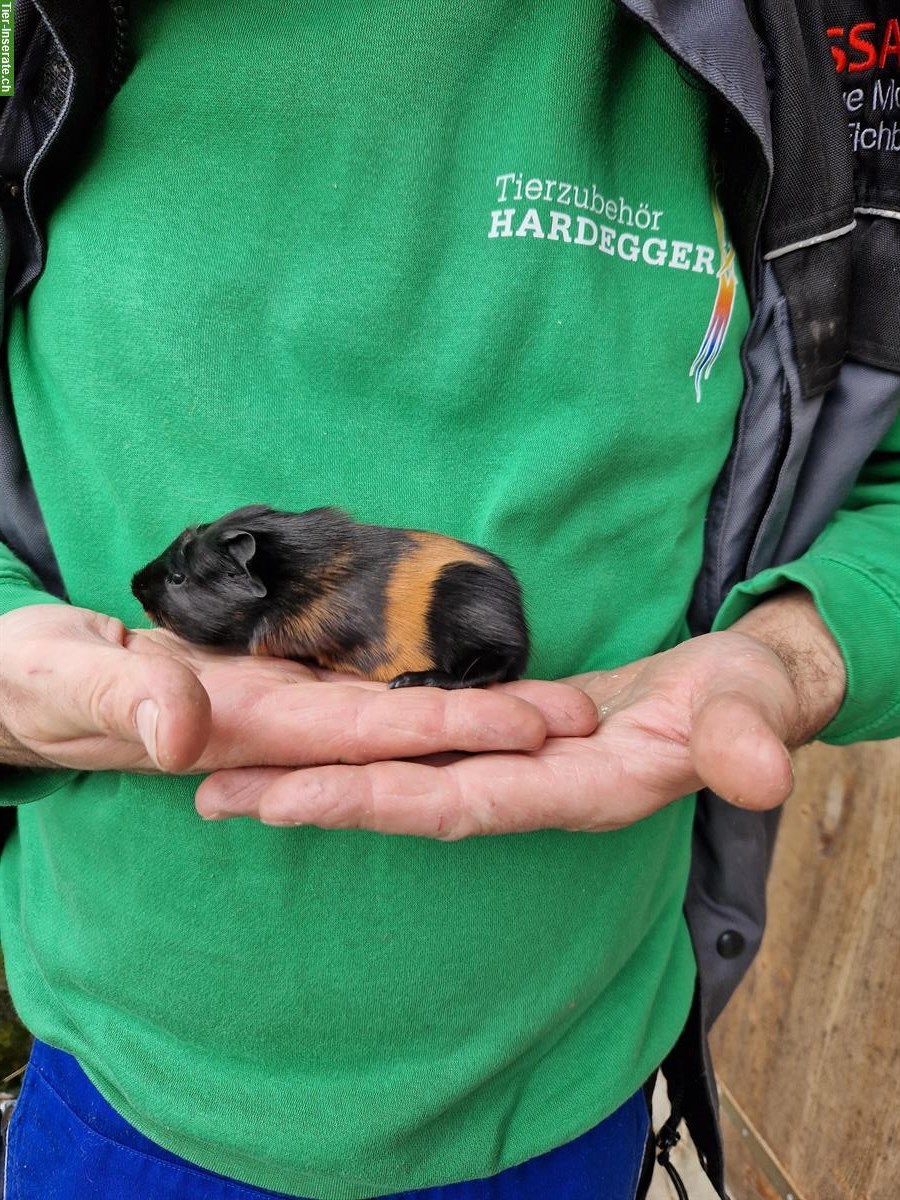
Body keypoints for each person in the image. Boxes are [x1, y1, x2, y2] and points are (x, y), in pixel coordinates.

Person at [0, 1, 897, 1197]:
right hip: (115, 1085)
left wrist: (805, 644)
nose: (164, 595)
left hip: (562, 1093)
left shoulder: (825, 42)